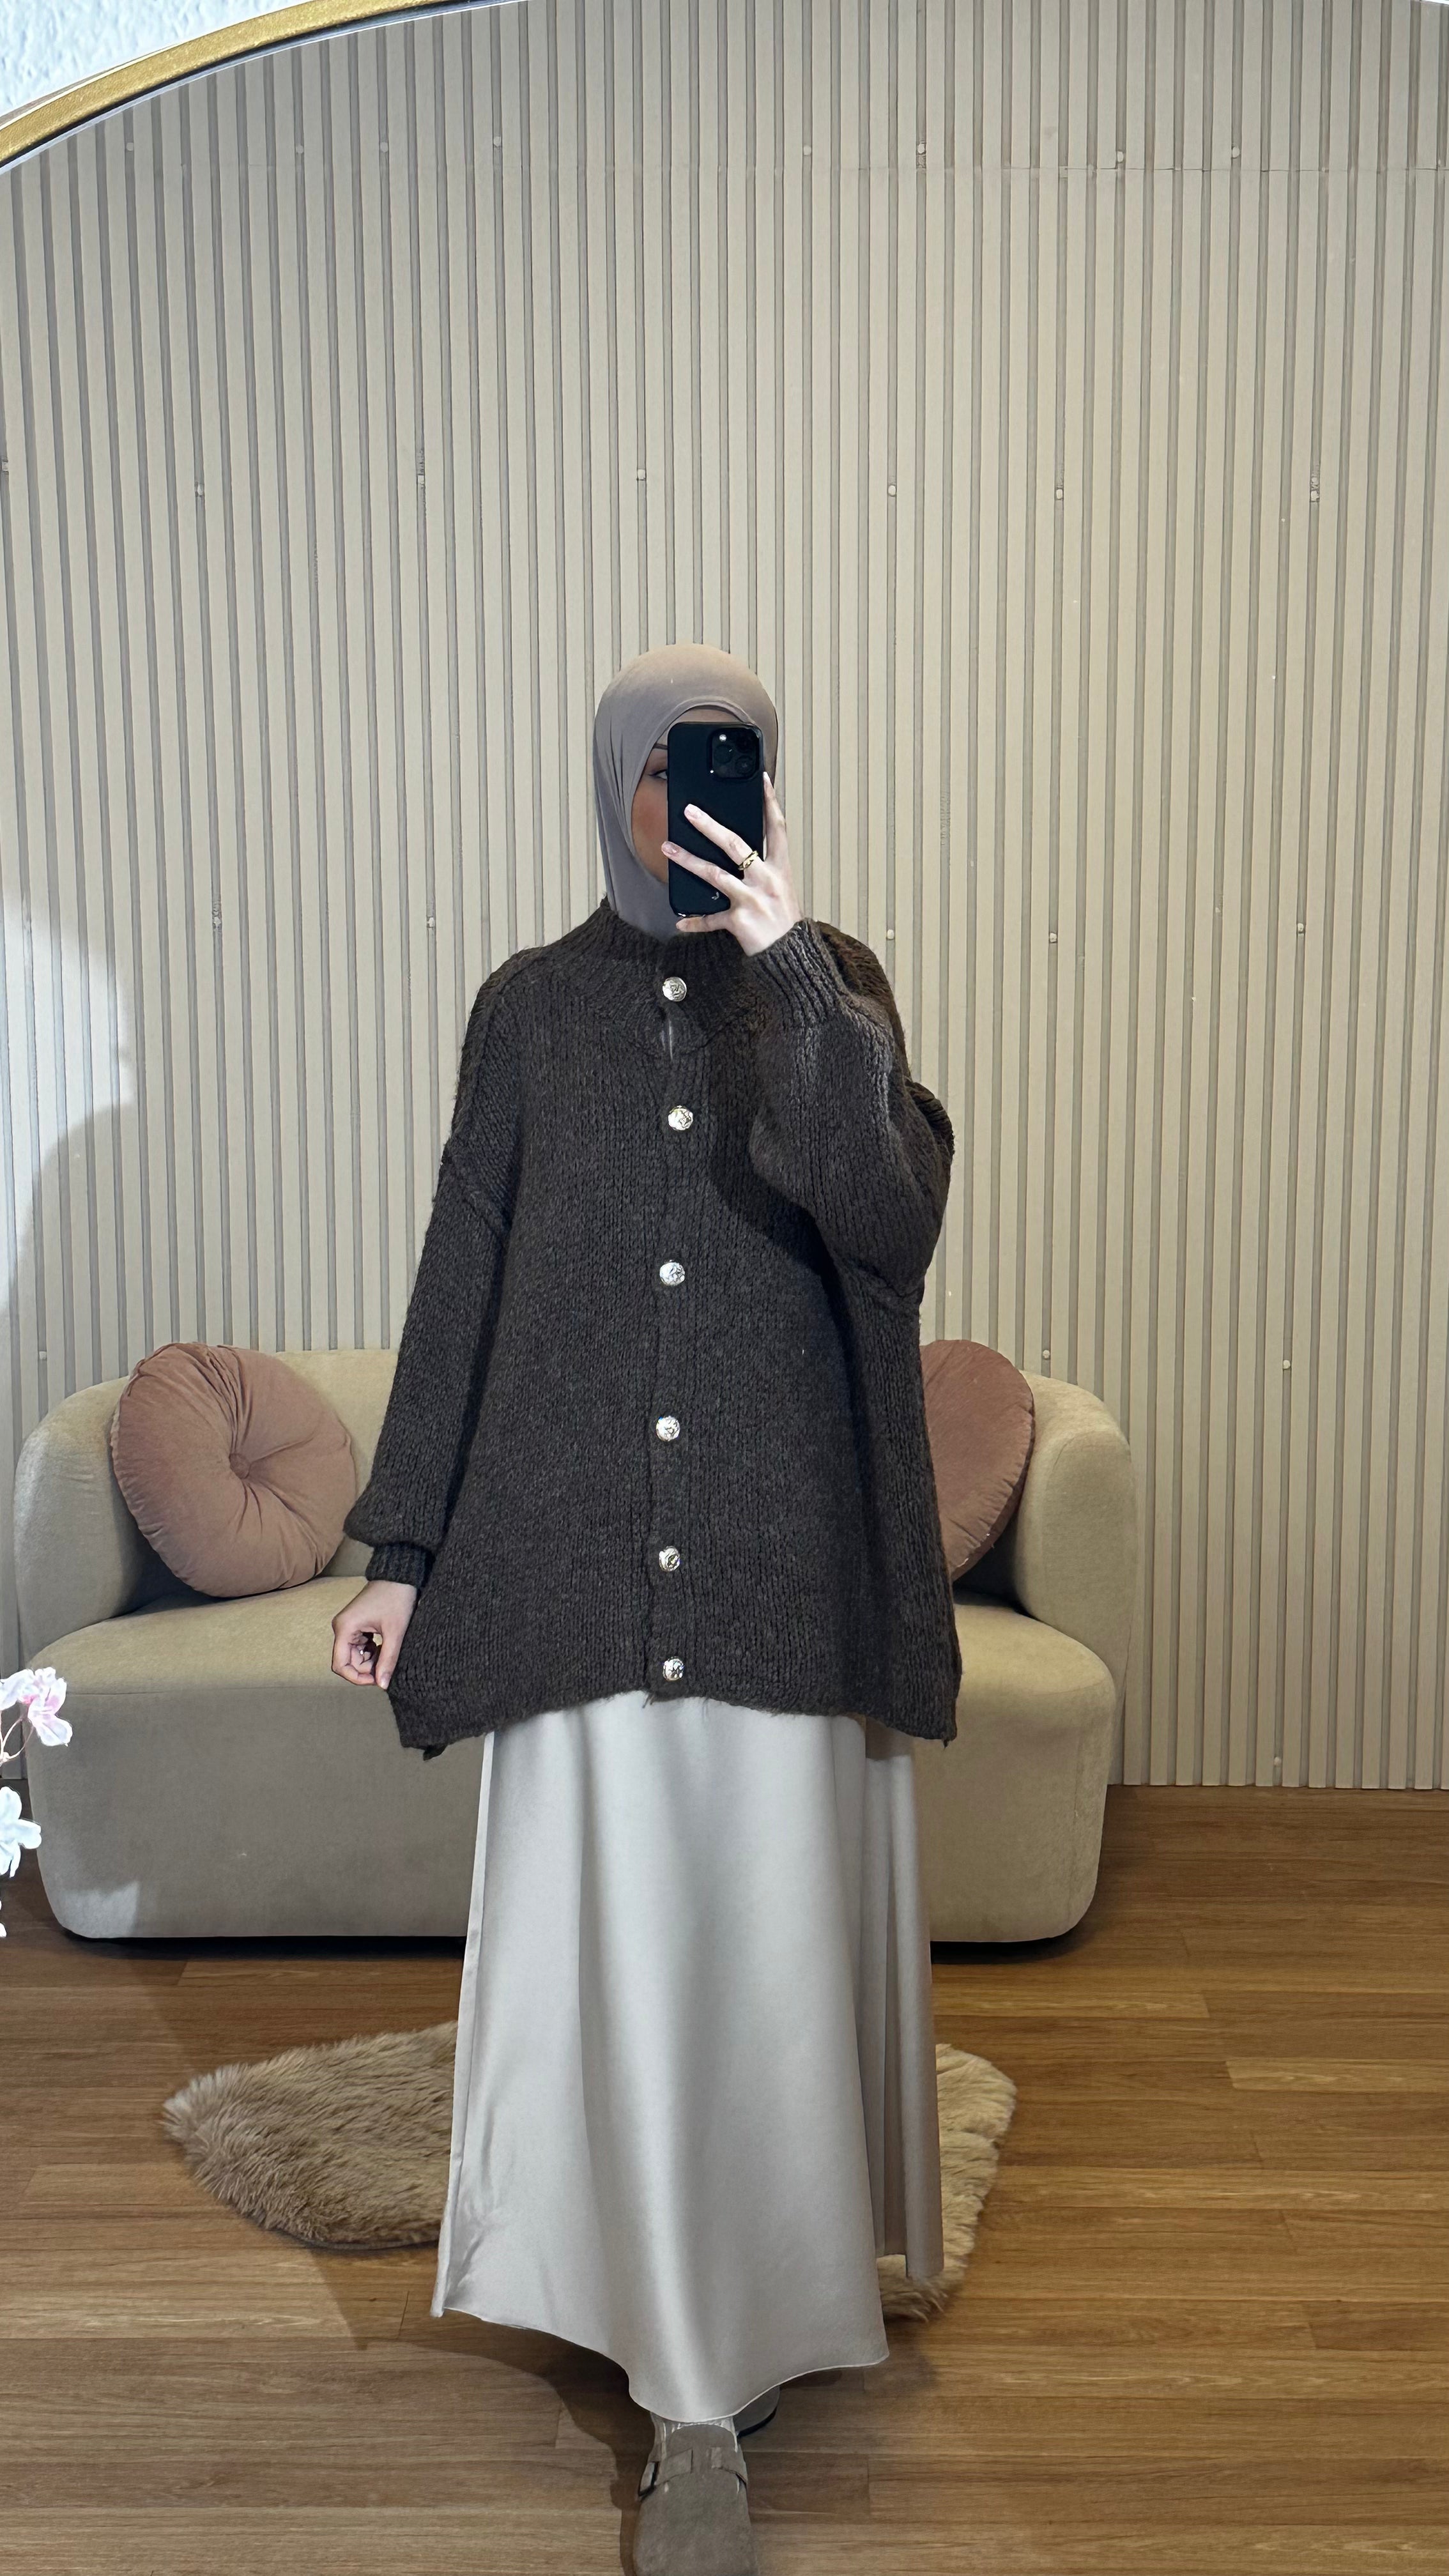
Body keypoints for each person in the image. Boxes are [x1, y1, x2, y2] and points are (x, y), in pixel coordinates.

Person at [332, 642, 960, 2576]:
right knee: (609, 1964)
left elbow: (892, 1222)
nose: (689, 795)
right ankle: (627, 2303)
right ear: (607, 781)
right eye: (664, 763)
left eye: (732, 760)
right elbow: (466, 1268)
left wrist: (793, 976)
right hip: (576, 1559)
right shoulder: (526, 1011)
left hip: (782, 1572)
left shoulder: (834, 981)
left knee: (758, 1972)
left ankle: (722, 2366)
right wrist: (403, 1550)